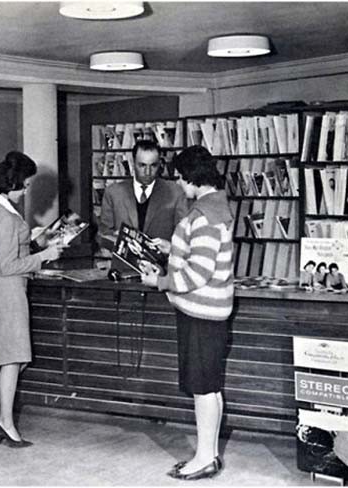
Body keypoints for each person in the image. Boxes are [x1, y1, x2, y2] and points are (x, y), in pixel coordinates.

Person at [139, 145, 234, 481]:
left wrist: (159, 280)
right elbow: (199, 255)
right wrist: (171, 247)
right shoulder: (214, 208)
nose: (179, 184)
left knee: (202, 388)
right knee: (210, 386)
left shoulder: (204, 215)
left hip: (201, 314)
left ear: (194, 178)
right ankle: (209, 454)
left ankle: (204, 459)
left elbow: (198, 273)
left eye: (180, 178)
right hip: (209, 312)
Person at [0, 151, 64, 448]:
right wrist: (45, 255)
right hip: (8, 290)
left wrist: (36, 240)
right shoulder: (4, 217)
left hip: (4, 289)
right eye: (25, 186)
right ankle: (6, 421)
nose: (27, 191)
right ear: (12, 184)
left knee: (15, 358)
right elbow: (10, 264)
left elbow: (8, 251)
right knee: (14, 358)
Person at [98, 140, 189, 249]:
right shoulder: (113, 193)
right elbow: (103, 235)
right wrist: (120, 242)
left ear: (160, 164)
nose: (147, 172)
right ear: (133, 163)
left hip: (162, 263)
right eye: (142, 165)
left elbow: (184, 237)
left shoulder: (175, 192)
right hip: (123, 264)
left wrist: (169, 247)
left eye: (153, 166)